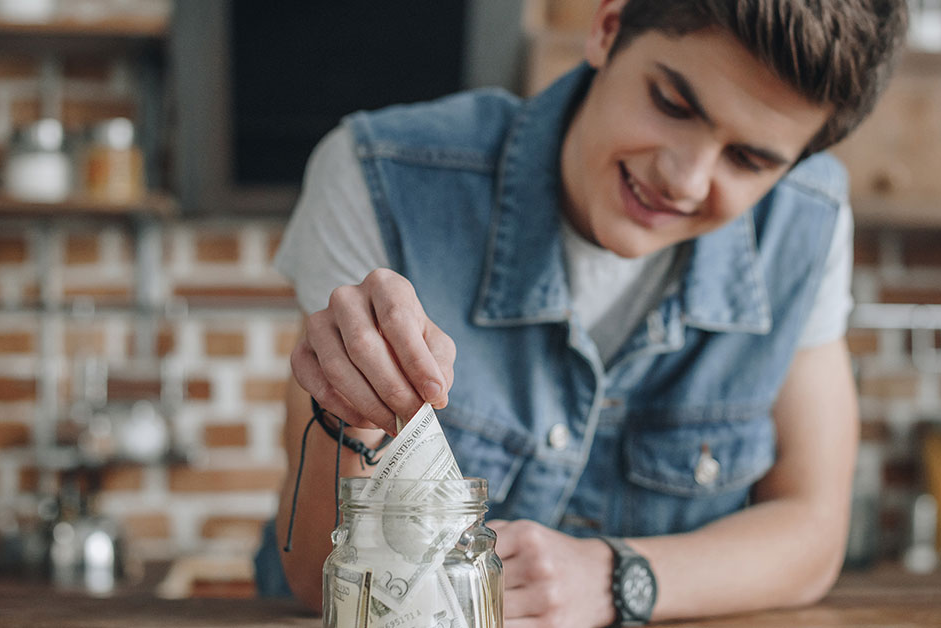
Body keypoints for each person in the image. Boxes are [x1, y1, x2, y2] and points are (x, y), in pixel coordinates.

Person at [259, 0, 908, 625]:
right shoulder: (379, 177)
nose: (684, 179)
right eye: (673, 104)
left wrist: (612, 577)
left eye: (750, 160)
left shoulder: (808, 220)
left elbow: (814, 532)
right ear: (608, 27)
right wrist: (352, 416)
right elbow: (318, 574)